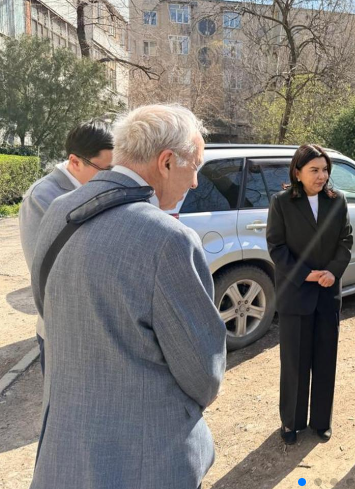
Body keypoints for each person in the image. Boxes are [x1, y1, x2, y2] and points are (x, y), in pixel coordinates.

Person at [29, 105, 226, 489]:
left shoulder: (58, 210)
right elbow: (205, 373)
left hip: (64, 456)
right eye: (195, 168)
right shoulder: (168, 240)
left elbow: (45, 304)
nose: (195, 183)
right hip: (146, 462)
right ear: (166, 162)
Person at [267, 144, 353, 445]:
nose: (321, 176)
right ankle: (291, 422)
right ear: (297, 172)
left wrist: (333, 271)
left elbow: (346, 240)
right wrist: (303, 274)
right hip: (296, 293)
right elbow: (276, 246)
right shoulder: (281, 202)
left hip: (328, 293)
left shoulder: (337, 200)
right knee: (295, 362)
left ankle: (321, 421)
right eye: (314, 170)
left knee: (325, 360)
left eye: (325, 170)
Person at [19, 118, 114, 374]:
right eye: (105, 170)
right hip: (65, 333)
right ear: (75, 161)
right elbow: (46, 274)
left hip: (104, 328)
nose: (112, 177)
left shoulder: (102, 188)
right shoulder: (41, 197)